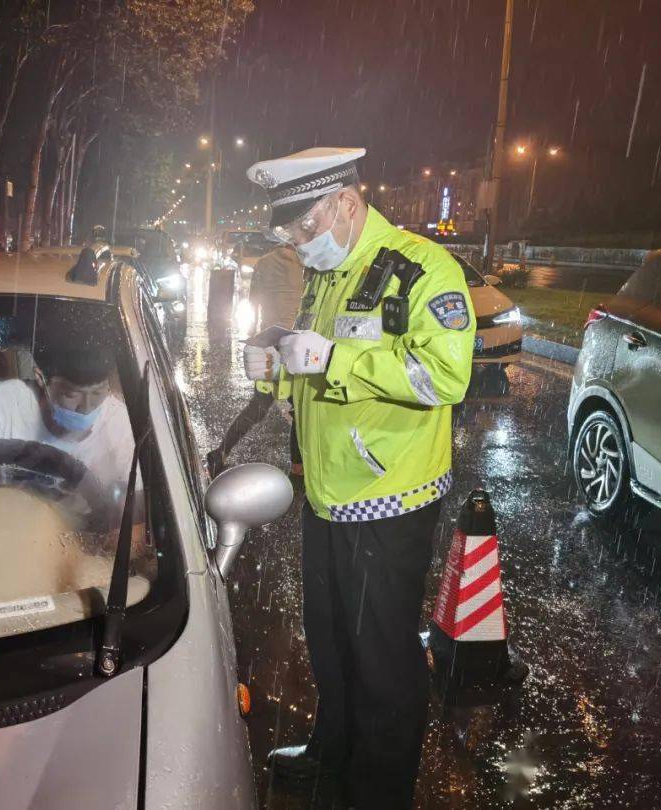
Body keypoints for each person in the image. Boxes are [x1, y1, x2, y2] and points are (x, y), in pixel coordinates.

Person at [244, 147, 475, 809]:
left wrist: (336, 357)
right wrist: (277, 366)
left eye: (304, 228)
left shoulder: (424, 270)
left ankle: (378, 791)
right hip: (327, 492)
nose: (298, 244)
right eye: (288, 234)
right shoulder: (331, 271)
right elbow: (314, 364)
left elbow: (444, 375)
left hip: (387, 498)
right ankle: (333, 751)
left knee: (383, 663)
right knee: (330, 639)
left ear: (346, 203)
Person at [0, 338, 134, 528]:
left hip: (75, 542)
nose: (86, 408)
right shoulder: (3, 402)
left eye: (98, 393)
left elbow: (129, 519)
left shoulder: (120, 425)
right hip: (2, 529)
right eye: (72, 394)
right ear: (41, 378)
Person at [206, 244, 305, 478]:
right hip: (297, 346)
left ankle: (221, 452)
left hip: (269, 345)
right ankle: (298, 467)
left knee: (259, 406)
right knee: (301, 407)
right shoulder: (306, 263)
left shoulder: (264, 261)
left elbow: (254, 302)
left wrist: (254, 338)